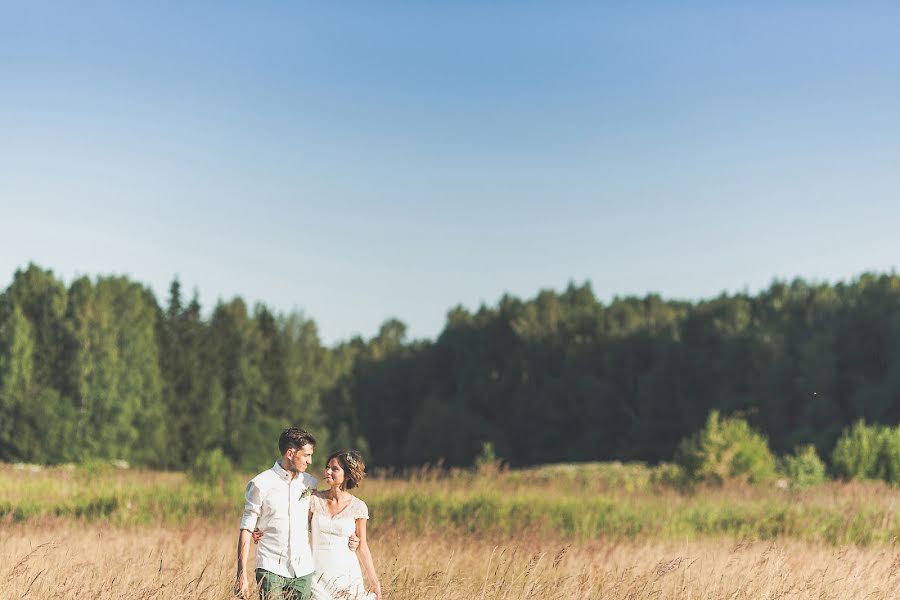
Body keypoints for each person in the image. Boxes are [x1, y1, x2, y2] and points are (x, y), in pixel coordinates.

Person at [235, 428, 359, 600]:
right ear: (290, 453)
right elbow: (246, 528)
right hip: (270, 566)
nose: (310, 461)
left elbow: (320, 519)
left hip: (303, 570)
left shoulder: (309, 483)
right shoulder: (260, 484)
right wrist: (241, 574)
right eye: (306, 455)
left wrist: (349, 535)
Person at [254, 449, 381, 600]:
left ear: (347, 474)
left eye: (334, 469)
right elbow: (290, 520)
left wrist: (375, 583)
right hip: (317, 574)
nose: (327, 471)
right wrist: (262, 529)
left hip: (347, 573)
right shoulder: (313, 499)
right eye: (327, 467)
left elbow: (363, 546)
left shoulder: (358, 507)